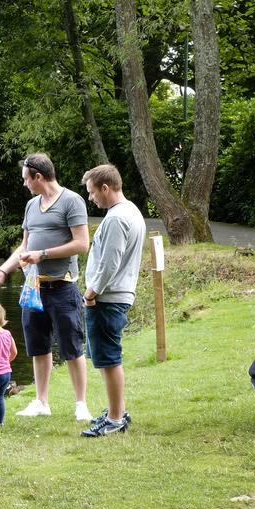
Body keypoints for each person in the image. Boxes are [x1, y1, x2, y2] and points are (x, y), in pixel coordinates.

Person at [0, 152, 92, 422]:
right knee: (38, 346)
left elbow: (82, 244)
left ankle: (81, 404)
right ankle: (41, 401)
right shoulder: (32, 206)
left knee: (72, 347)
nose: (24, 185)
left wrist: (43, 254)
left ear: (39, 177)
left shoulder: (72, 201)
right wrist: (3, 270)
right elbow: (24, 248)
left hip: (63, 288)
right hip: (33, 289)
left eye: (26, 180)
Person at [79, 163, 147, 437]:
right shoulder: (130, 212)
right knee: (107, 357)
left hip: (108, 298)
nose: (91, 198)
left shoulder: (118, 218)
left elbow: (110, 263)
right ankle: (116, 409)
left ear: (105, 188)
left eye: (92, 192)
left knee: (109, 358)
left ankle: (116, 418)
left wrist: (91, 291)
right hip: (114, 296)